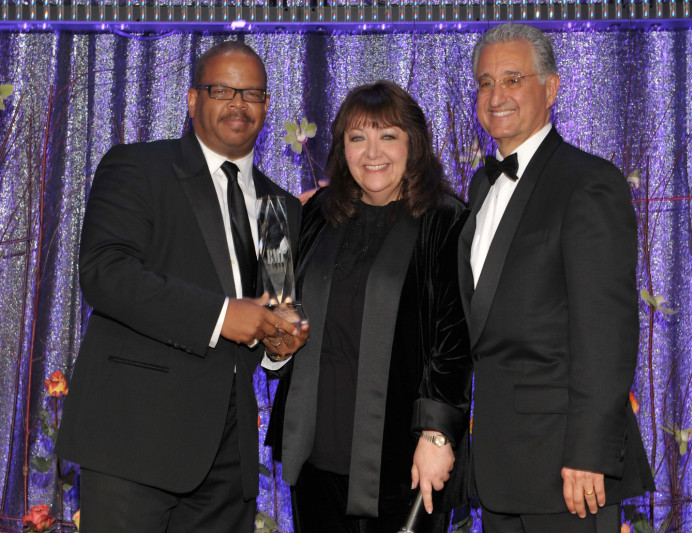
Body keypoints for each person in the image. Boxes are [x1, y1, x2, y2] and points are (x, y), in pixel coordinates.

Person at [55, 41, 308, 533]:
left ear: (266, 105)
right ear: (193, 100)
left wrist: (281, 344)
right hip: (134, 442)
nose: (238, 103)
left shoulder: (280, 209)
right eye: (222, 90)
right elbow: (106, 273)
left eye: (251, 93)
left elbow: (276, 312)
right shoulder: (138, 167)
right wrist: (221, 315)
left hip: (229, 460)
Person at [458, 23, 655, 532]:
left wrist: (590, 452)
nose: (496, 96)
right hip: (499, 468)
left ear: (551, 89)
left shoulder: (588, 183)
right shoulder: (480, 188)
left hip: (569, 473)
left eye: (512, 79)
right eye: (484, 83)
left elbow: (605, 332)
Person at [266, 80, 472, 533]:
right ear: (343, 149)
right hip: (317, 456)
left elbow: (454, 340)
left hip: (404, 459)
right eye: (358, 137)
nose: (372, 152)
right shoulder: (318, 213)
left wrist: (438, 434)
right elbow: (281, 307)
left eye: (388, 135)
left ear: (413, 143)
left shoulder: (445, 219)